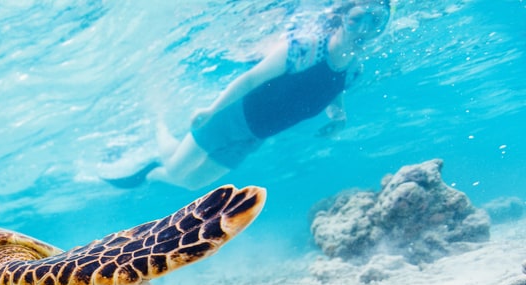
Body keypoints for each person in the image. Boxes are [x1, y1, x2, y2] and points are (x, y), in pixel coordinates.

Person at [102, 0, 392, 190]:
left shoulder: (354, 70)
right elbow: (251, 78)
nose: (364, 29)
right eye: (357, 19)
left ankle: (157, 165)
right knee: (176, 172)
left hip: (254, 137)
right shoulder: (306, 48)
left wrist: (339, 118)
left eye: (375, 22)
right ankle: (157, 140)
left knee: (192, 183)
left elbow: (333, 93)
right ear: (342, 17)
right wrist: (211, 109)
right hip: (228, 118)